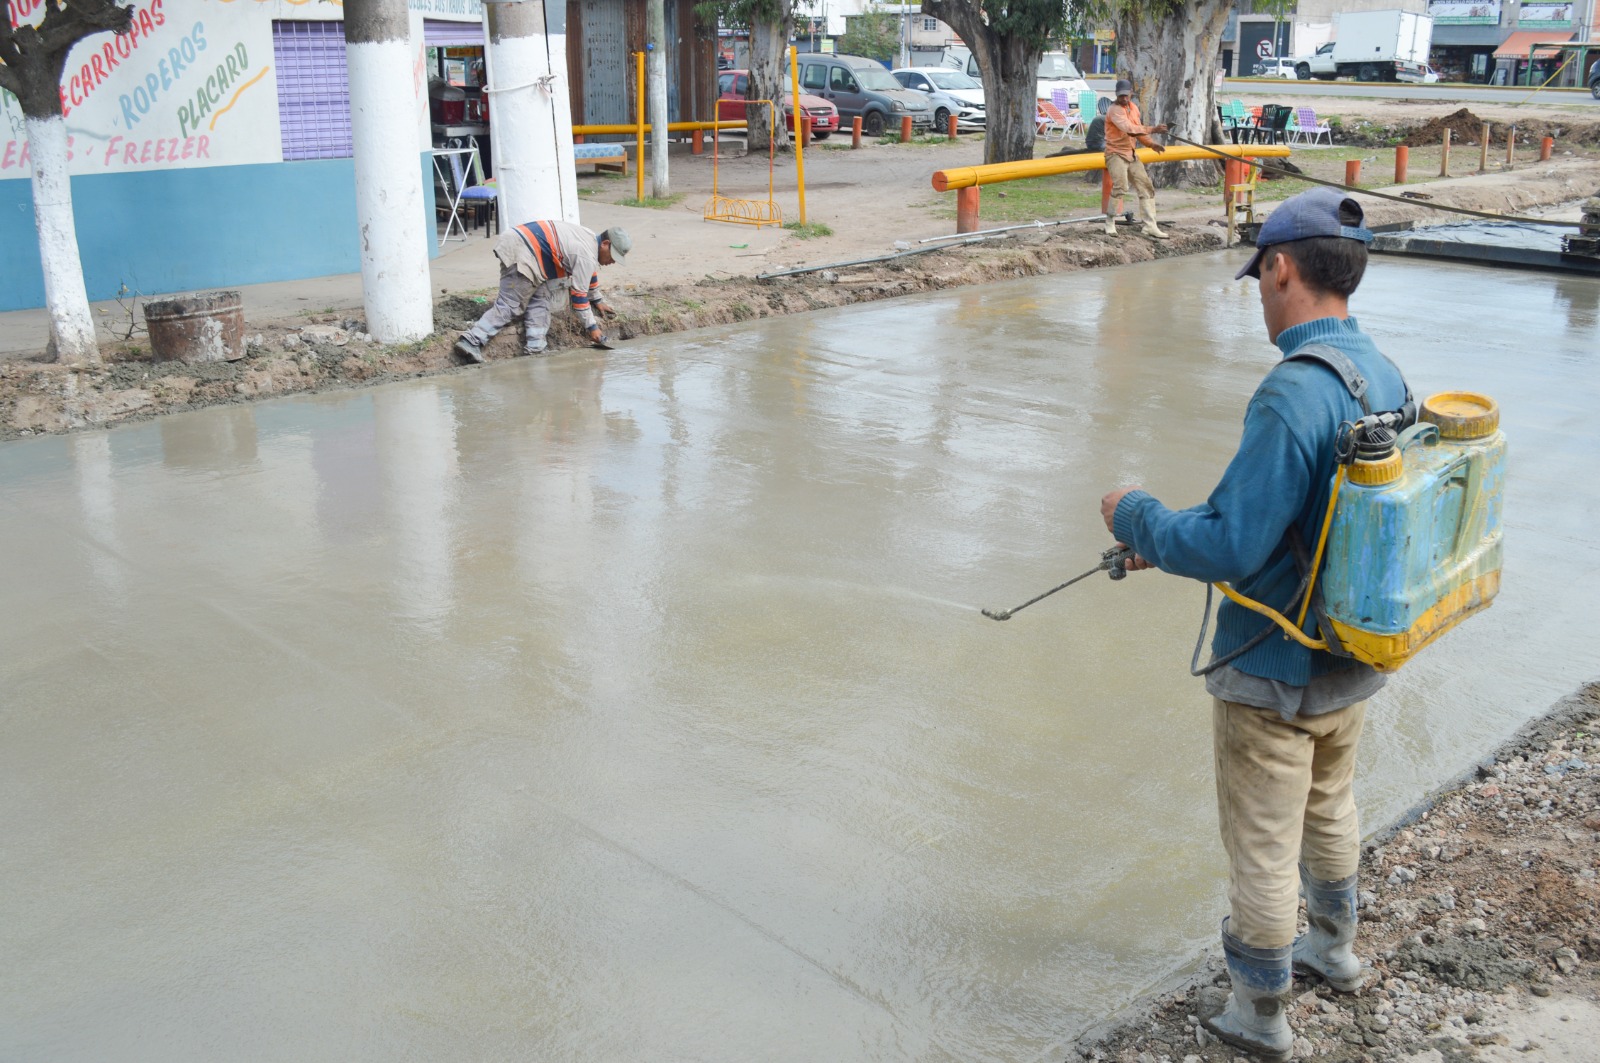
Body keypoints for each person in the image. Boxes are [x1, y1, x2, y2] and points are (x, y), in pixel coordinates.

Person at [1098, 188, 1409, 1062]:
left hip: (1272, 664)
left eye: (1261, 277)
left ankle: (1260, 1014)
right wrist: (1190, 537)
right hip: (1351, 653)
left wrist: (1139, 517)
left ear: (1281, 268)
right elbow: (1307, 518)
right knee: (1331, 802)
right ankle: (1335, 948)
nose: (1261, 296)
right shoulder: (1383, 374)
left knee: (1263, 843)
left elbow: (1234, 542)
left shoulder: (1289, 394)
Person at [454, 222, 630, 364]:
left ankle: (536, 350)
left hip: (528, 250)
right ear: (605, 244)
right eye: (612, 256)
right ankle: (471, 340)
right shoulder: (585, 254)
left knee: (540, 298)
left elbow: (587, 272)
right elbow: (578, 298)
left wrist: (597, 299)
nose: (612, 262)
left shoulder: (590, 239)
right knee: (511, 304)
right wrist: (593, 328)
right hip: (522, 251)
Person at [1103, 78, 1169, 240]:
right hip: (1115, 153)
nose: (1124, 98)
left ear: (1131, 93)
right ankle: (1110, 221)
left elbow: (1139, 131)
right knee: (1121, 187)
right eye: (1121, 96)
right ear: (1116, 95)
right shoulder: (1114, 110)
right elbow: (1129, 129)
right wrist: (1153, 129)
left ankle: (1150, 226)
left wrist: (1152, 144)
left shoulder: (1134, 108)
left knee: (1146, 187)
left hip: (1131, 153)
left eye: (1126, 95)